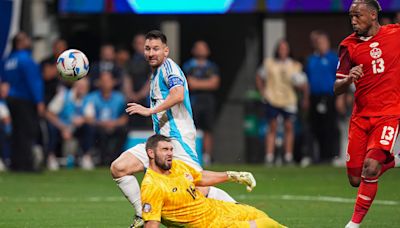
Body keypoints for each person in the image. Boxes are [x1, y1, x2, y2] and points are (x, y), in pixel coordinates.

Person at [110, 30, 236, 227]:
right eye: (148, 49)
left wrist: (149, 110)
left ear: (166, 51)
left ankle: (236, 209)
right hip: (161, 141)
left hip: (179, 142)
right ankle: (143, 214)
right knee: (119, 168)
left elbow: (177, 94)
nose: (151, 53)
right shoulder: (155, 73)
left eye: (156, 49)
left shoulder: (170, 69)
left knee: (198, 187)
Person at [334, 1, 400, 227]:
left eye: (357, 16)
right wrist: (348, 78)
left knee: (370, 167)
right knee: (355, 179)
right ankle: (391, 160)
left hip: (389, 114)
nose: (353, 21)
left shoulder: (395, 33)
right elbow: (336, 87)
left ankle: (353, 224)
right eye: (351, 16)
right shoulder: (348, 45)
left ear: (373, 15)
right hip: (360, 118)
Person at [141, 134, 285, 228]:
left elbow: (201, 177)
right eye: (165, 149)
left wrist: (233, 175)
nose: (170, 153)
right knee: (268, 225)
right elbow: (152, 223)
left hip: (218, 210)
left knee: (258, 214)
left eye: (171, 149)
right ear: (151, 153)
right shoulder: (152, 185)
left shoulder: (176, 166)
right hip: (210, 225)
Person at [255, 39, 308, 166]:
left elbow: (303, 83)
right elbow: (259, 76)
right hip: (273, 98)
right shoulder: (270, 63)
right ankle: (269, 156)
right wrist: (263, 92)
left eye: (285, 48)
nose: (283, 51)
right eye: (280, 48)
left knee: (289, 127)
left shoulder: (294, 65)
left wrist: (303, 93)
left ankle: (288, 155)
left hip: (288, 99)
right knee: (272, 126)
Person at [0, 32, 45, 172]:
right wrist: (39, 101)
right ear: (20, 43)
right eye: (26, 39)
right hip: (24, 100)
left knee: (16, 132)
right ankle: (27, 164)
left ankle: (16, 163)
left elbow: (5, 82)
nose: (29, 41)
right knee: (27, 131)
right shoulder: (26, 60)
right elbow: (34, 82)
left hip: (11, 99)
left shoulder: (8, 60)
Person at [305, 31, 342, 164]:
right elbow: (307, 81)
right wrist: (306, 98)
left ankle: (331, 156)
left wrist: (340, 98)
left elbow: (340, 79)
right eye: (319, 43)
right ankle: (316, 156)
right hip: (315, 97)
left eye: (323, 42)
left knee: (330, 127)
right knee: (315, 127)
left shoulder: (333, 59)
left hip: (330, 97)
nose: (321, 45)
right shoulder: (311, 60)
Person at [182, 40, 220, 165]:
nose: (201, 50)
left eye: (203, 48)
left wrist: (198, 83)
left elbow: (214, 83)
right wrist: (206, 83)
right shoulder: (188, 66)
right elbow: (189, 84)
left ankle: (207, 156)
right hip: (193, 100)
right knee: (192, 128)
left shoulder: (212, 66)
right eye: (198, 48)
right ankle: (193, 154)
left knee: (208, 129)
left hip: (208, 101)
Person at [46, 77, 95, 170]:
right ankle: (51, 157)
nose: (82, 89)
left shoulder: (87, 100)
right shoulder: (63, 96)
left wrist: (83, 120)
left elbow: (91, 118)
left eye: (85, 87)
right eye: (80, 86)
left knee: (89, 128)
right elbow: (49, 113)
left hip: (76, 128)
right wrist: (63, 128)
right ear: (75, 86)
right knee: (51, 127)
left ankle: (86, 157)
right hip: (61, 127)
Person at [89, 71, 128, 165]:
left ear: (113, 82)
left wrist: (113, 124)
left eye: (108, 81)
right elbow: (88, 118)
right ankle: (101, 159)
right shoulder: (92, 98)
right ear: (99, 83)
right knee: (94, 131)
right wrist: (103, 124)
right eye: (103, 81)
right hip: (98, 126)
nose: (105, 83)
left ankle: (117, 157)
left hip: (114, 125)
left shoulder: (120, 98)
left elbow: (124, 118)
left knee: (123, 130)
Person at [123, 33, 151, 130]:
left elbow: (151, 79)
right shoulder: (129, 62)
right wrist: (130, 94)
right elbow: (127, 78)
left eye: (142, 43)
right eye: (137, 43)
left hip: (146, 98)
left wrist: (141, 95)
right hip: (132, 98)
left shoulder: (151, 61)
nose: (140, 46)